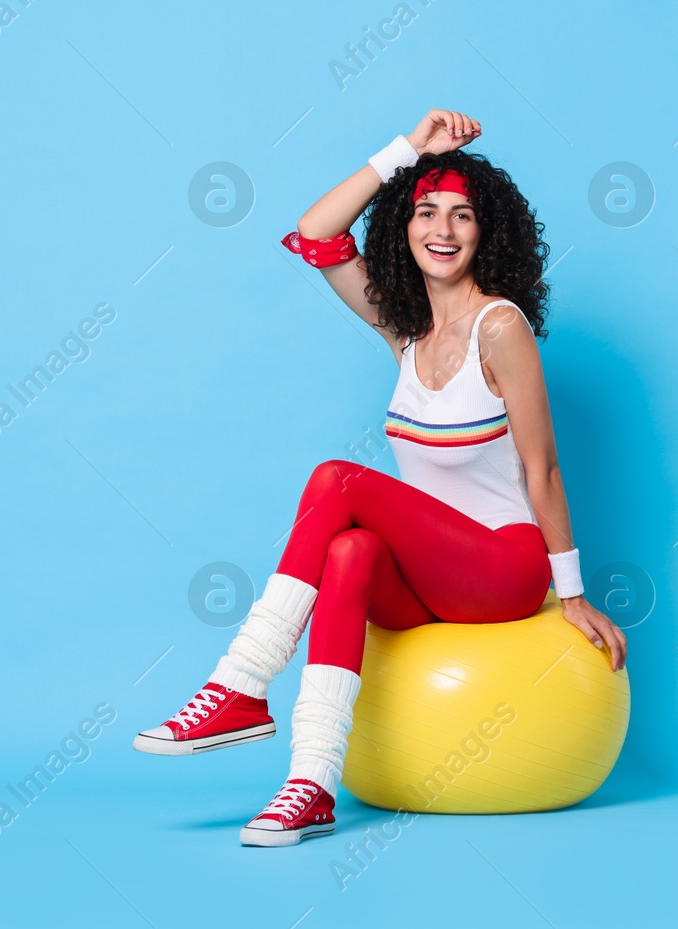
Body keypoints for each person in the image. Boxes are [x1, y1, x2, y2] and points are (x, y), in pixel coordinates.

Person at [134, 109, 627, 846]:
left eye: (463, 215)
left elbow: (542, 466)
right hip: (429, 578)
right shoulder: (404, 329)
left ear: (487, 232)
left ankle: (241, 682)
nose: (444, 228)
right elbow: (315, 234)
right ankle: (311, 783)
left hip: (503, 567)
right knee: (349, 552)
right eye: (426, 210)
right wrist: (409, 150)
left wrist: (574, 591)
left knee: (339, 479)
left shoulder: (501, 327)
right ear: (402, 223)